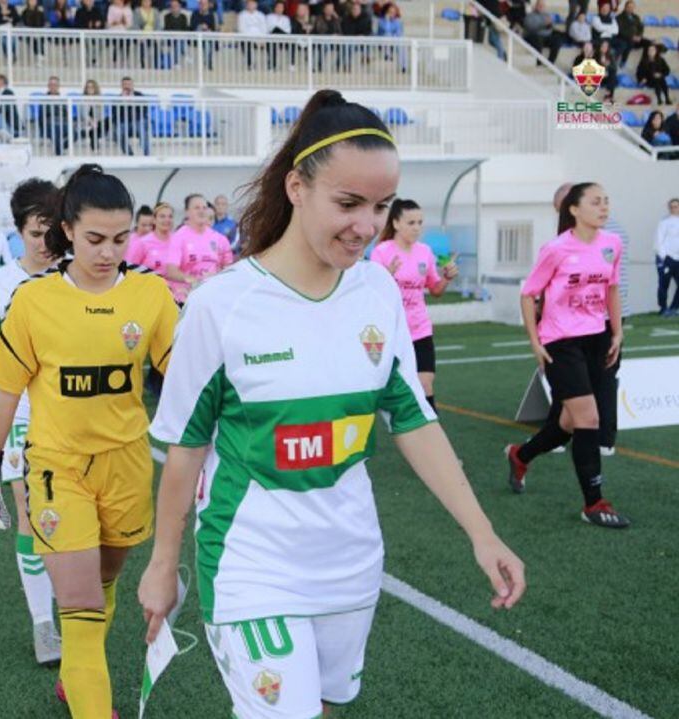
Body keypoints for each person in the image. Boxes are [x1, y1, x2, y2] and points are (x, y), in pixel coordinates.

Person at [138, 89, 525, 719]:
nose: (367, 226)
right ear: (296, 187)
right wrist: (162, 564)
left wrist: (483, 535)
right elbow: (186, 447)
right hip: (250, 562)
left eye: (379, 206)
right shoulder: (222, 304)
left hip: (351, 560)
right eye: (348, 203)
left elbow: (413, 420)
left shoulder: (377, 291)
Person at [0, 165, 178, 719]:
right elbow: (2, 391)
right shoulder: (34, 301)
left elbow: (184, 376)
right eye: (94, 239)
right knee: (80, 603)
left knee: (105, 583)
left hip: (128, 464)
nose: (107, 252)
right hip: (55, 466)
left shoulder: (150, 294)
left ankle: (75, 677)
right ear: (66, 230)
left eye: (119, 239)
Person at [0, 178, 62, 666]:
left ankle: (75, 609)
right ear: (19, 231)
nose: (46, 244)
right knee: (29, 516)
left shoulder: (75, 277)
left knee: (68, 519)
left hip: (71, 416)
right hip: (19, 417)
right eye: (35, 232)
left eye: (53, 231)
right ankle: (43, 624)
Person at [506, 183, 630, 528]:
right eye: (595, 202)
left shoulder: (612, 244)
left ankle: (521, 454)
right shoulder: (556, 249)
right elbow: (529, 294)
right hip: (560, 341)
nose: (604, 207)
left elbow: (612, 288)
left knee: (565, 425)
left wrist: (617, 331)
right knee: (589, 419)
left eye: (606, 201)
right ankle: (594, 503)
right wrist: (535, 341)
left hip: (598, 337)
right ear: (573, 209)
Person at [369, 199, 458, 411]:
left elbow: (435, 290)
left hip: (420, 331)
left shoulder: (425, 252)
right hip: (392, 332)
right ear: (397, 223)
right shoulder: (382, 252)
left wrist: (446, 278)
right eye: (411, 223)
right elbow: (371, 293)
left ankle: (430, 427)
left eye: (420, 222)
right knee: (389, 389)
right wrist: (386, 277)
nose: (417, 227)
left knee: (425, 382)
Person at [172, 193, 235, 303]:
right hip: (186, 299)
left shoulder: (220, 239)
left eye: (204, 208)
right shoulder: (178, 237)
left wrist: (215, 276)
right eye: (197, 208)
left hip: (213, 296)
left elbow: (229, 270)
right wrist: (194, 280)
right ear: (187, 211)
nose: (201, 211)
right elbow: (171, 271)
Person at [125, 202, 190, 303]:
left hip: (179, 298)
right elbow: (129, 271)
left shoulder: (180, 241)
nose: (167, 220)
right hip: (150, 296)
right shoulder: (143, 243)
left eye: (170, 216)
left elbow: (187, 269)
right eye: (162, 216)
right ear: (154, 220)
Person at [114, 77, 150, 156]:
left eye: (129, 84)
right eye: (124, 84)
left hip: (138, 121)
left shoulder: (139, 95)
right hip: (123, 123)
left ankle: (147, 154)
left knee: (142, 129)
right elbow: (115, 115)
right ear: (121, 86)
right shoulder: (118, 98)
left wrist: (132, 100)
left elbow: (144, 110)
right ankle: (129, 153)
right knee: (118, 132)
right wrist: (122, 101)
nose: (127, 86)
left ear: (132, 85)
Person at [656, 198, 679, 316]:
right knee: (664, 284)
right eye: (672, 207)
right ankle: (663, 308)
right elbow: (659, 240)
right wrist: (663, 257)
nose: (674, 209)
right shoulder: (664, 222)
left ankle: (674, 308)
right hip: (667, 258)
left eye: (676, 206)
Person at [615, 0, 650, 67]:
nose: (630, 9)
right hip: (626, 39)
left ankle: (644, 62)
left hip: (636, 39)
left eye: (632, 7)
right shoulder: (619, 18)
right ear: (625, 7)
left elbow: (641, 28)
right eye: (629, 7)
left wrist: (639, 36)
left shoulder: (636, 17)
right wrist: (632, 37)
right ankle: (623, 60)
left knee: (648, 43)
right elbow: (620, 31)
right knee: (628, 42)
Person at [237, 0, 267, 70]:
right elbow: (241, 29)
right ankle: (250, 64)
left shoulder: (261, 15)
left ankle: (270, 66)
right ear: (246, 5)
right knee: (246, 43)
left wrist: (262, 39)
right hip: (247, 38)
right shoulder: (242, 15)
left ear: (256, 5)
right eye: (249, 3)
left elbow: (264, 29)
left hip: (259, 38)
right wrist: (251, 38)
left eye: (253, 3)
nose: (251, 5)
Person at [79, 78, 107, 151]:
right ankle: (95, 147)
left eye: (92, 87)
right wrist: (91, 121)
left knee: (106, 121)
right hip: (86, 123)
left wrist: (96, 121)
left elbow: (101, 115)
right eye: (88, 87)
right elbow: (83, 114)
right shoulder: (82, 99)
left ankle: (94, 145)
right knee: (94, 129)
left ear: (95, 88)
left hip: (98, 123)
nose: (90, 89)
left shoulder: (99, 99)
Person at [0, 73, 19, 140]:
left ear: (1, 82)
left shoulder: (8, 92)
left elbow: (7, 106)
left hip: (9, 125)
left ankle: (5, 133)